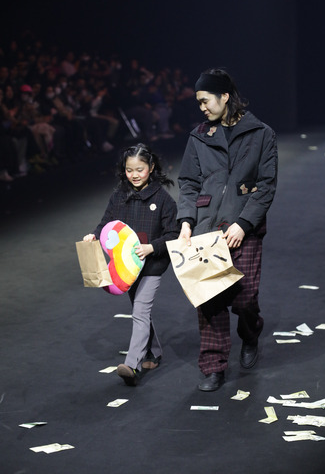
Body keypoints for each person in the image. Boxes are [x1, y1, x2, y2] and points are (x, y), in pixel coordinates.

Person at [177, 68, 277, 391]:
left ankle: (250, 333)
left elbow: (266, 186)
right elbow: (188, 183)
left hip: (243, 229)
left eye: (206, 101)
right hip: (207, 230)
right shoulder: (198, 136)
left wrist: (243, 224)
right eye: (198, 103)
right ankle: (213, 366)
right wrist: (186, 222)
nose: (201, 108)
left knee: (245, 297)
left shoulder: (262, 134)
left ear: (225, 97)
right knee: (210, 300)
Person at [83, 143, 179, 386]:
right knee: (140, 309)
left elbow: (174, 235)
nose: (135, 175)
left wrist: (151, 247)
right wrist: (94, 235)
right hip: (125, 266)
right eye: (129, 170)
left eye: (140, 169)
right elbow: (106, 223)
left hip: (153, 266)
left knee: (140, 311)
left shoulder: (164, 200)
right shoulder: (119, 196)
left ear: (151, 167)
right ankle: (154, 352)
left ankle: (132, 364)